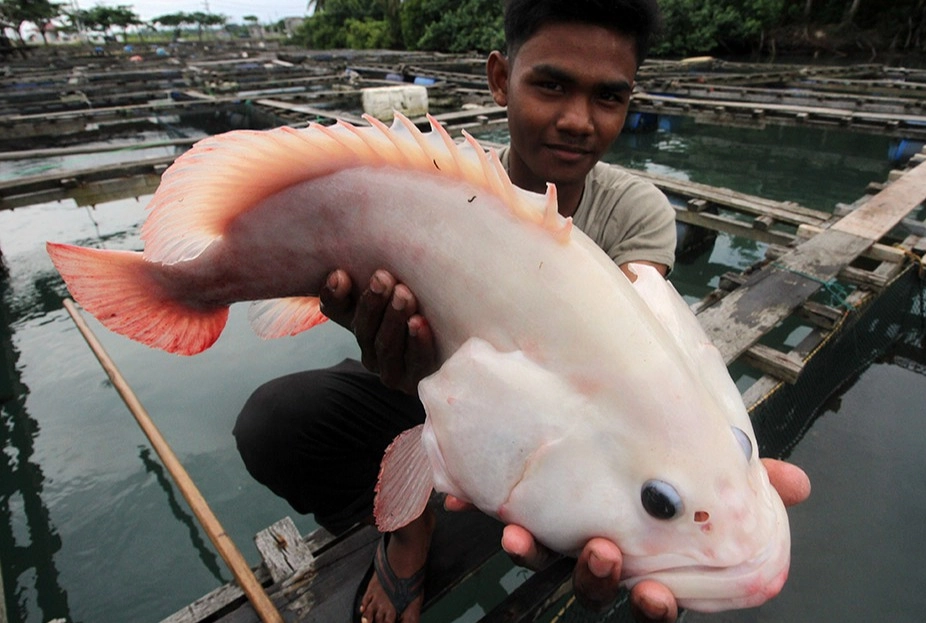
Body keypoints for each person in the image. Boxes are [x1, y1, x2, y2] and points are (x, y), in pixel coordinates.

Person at [233, 1, 811, 622]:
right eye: (551, 85)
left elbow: (639, 373)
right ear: (500, 79)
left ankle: (464, 506)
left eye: (608, 97)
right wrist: (379, 340)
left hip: (543, 425)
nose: (577, 120)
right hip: (417, 384)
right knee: (275, 421)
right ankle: (407, 530)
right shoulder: (439, 184)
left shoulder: (635, 210)